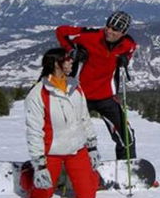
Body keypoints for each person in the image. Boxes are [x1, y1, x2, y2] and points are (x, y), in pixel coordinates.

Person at [56, 11, 137, 160]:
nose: (109, 31)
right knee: (70, 136)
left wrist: (125, 59)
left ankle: (127, 169)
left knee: (127, 137)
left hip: (107, 97)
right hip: (80, 95)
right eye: (108, 26)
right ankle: (66, 169)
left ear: (123, 33)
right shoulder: (89, 36)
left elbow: (130, 51)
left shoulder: (128, 44)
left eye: (115, 29)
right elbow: (61, 31)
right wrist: (72, 51)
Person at [22, 47, 100, 198]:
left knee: (87, 197)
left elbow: (84, 118)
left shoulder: (75, 86)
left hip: (76, 149)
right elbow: (34, 131)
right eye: (66, 59)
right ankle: (27, 173)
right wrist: (39, 166)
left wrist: (91, 146)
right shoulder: (38, 94)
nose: (71, 61)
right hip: (52, 152)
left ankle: (87, 175)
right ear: (56, 64)